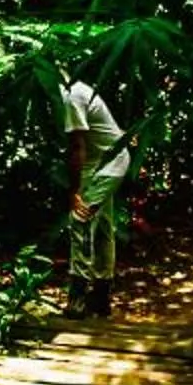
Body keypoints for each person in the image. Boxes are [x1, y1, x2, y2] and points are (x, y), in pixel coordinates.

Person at [56, 68, 132, 316]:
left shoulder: (72, 96)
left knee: (79, 219)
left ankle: (77, 300)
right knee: (102, 228)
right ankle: (100, 297)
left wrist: (74, 190)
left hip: (109, 164)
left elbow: (77, 146)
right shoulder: (77, 90)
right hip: (100, 163)